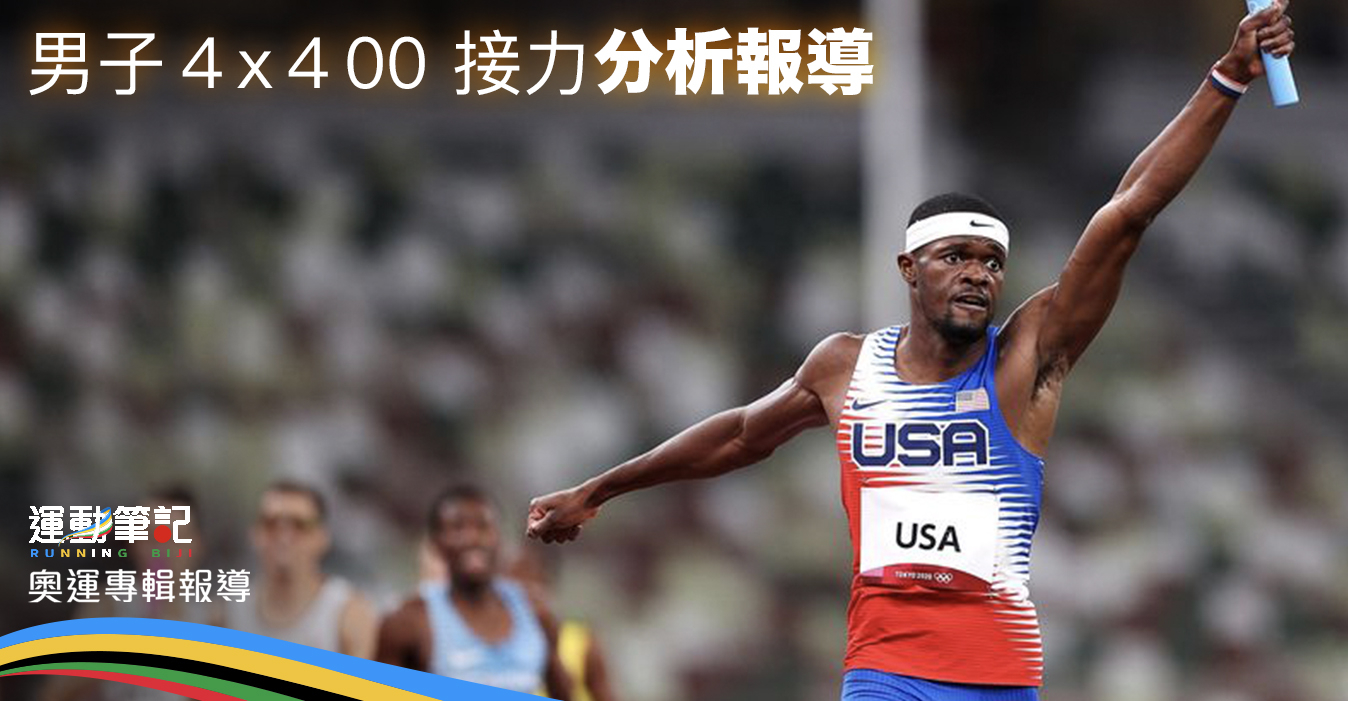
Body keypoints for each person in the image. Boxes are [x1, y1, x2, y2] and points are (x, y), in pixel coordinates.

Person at [525, 5, 1296, 700]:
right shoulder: (844, 366)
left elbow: (1127, 213)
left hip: (1000, 674)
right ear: (909, 268)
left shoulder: (1025, 359)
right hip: (887, 672)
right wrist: (601, 487)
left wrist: (1227, 77)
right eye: (956, 257)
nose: (978, 274)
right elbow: (739, 434)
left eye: (991, 263)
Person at [377, 484, 572, 699]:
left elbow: (563, 693)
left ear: (500, 538)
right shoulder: (407, 622)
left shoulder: (536, 613)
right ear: (436, 542)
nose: (472, 538)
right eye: (457, 527)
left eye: (483, 526)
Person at [225, 480, 378, 658]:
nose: (283, 537)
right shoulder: (228, 613)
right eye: (271, 524)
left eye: (299, 525)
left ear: (322, 538)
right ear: (254, 534)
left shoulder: (348, 617)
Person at [509, 544, 617, 701]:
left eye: (532, 582)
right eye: (513, 584)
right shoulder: (488, 644)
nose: (523, 593)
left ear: (548, 583)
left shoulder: (580, 642)